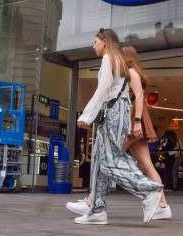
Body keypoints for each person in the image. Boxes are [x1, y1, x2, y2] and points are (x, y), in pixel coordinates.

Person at [69, 28, 163, 225]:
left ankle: (148, 190)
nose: (93, 45)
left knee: (110, 160)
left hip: (113, 113)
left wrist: (87, 115)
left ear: (105, 42)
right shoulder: (117, 60)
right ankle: (97, 210)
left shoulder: (108, 59)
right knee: (99, 160)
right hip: (116, 113)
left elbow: (103, 89)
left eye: (95, 41)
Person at [121, 45, 172, 220]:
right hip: (137, 120)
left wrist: (134, 123)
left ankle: (92, 203)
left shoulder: (130, 74)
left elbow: (139, 98)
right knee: (146, 165)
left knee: (108, 158)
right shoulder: (135, 73)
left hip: (133, 121)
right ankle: (163, 205)